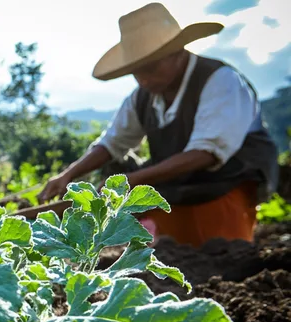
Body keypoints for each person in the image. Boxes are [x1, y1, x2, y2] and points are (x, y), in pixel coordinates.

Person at [38, 2, 279, 247]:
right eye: (136, 72)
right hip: (175, 186)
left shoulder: (221, 81)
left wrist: (133, 180)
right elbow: (113, 142)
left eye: (151, 68)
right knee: (172, 251)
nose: (143, 79)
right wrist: (68, 174)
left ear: (178, 52)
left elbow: (205, 153)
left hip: (224, 185)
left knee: (220, 252)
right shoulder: (142, 96)